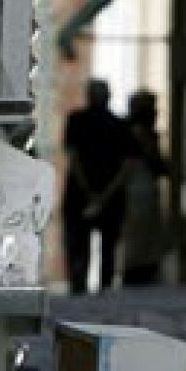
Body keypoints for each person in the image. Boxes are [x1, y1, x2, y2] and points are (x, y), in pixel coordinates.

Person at [62, 79, 133, 294]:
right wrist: (105, 195)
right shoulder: (120, 125)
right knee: (108, 248)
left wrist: (88, 192)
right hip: (110, 197)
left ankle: (78, 288)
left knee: (78, 246)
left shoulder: (76, 120)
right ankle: (104, 290)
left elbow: (73, 158)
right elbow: (127, 166)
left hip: (80, 194)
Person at [120, 89, 169, 287]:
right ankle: (139, 271)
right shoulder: (141, 132)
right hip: (140, 188)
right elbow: (152, 160)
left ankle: (141, 268)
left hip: (142, 187)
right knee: (140, 234)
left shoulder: (135, 131)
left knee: (142, 234)